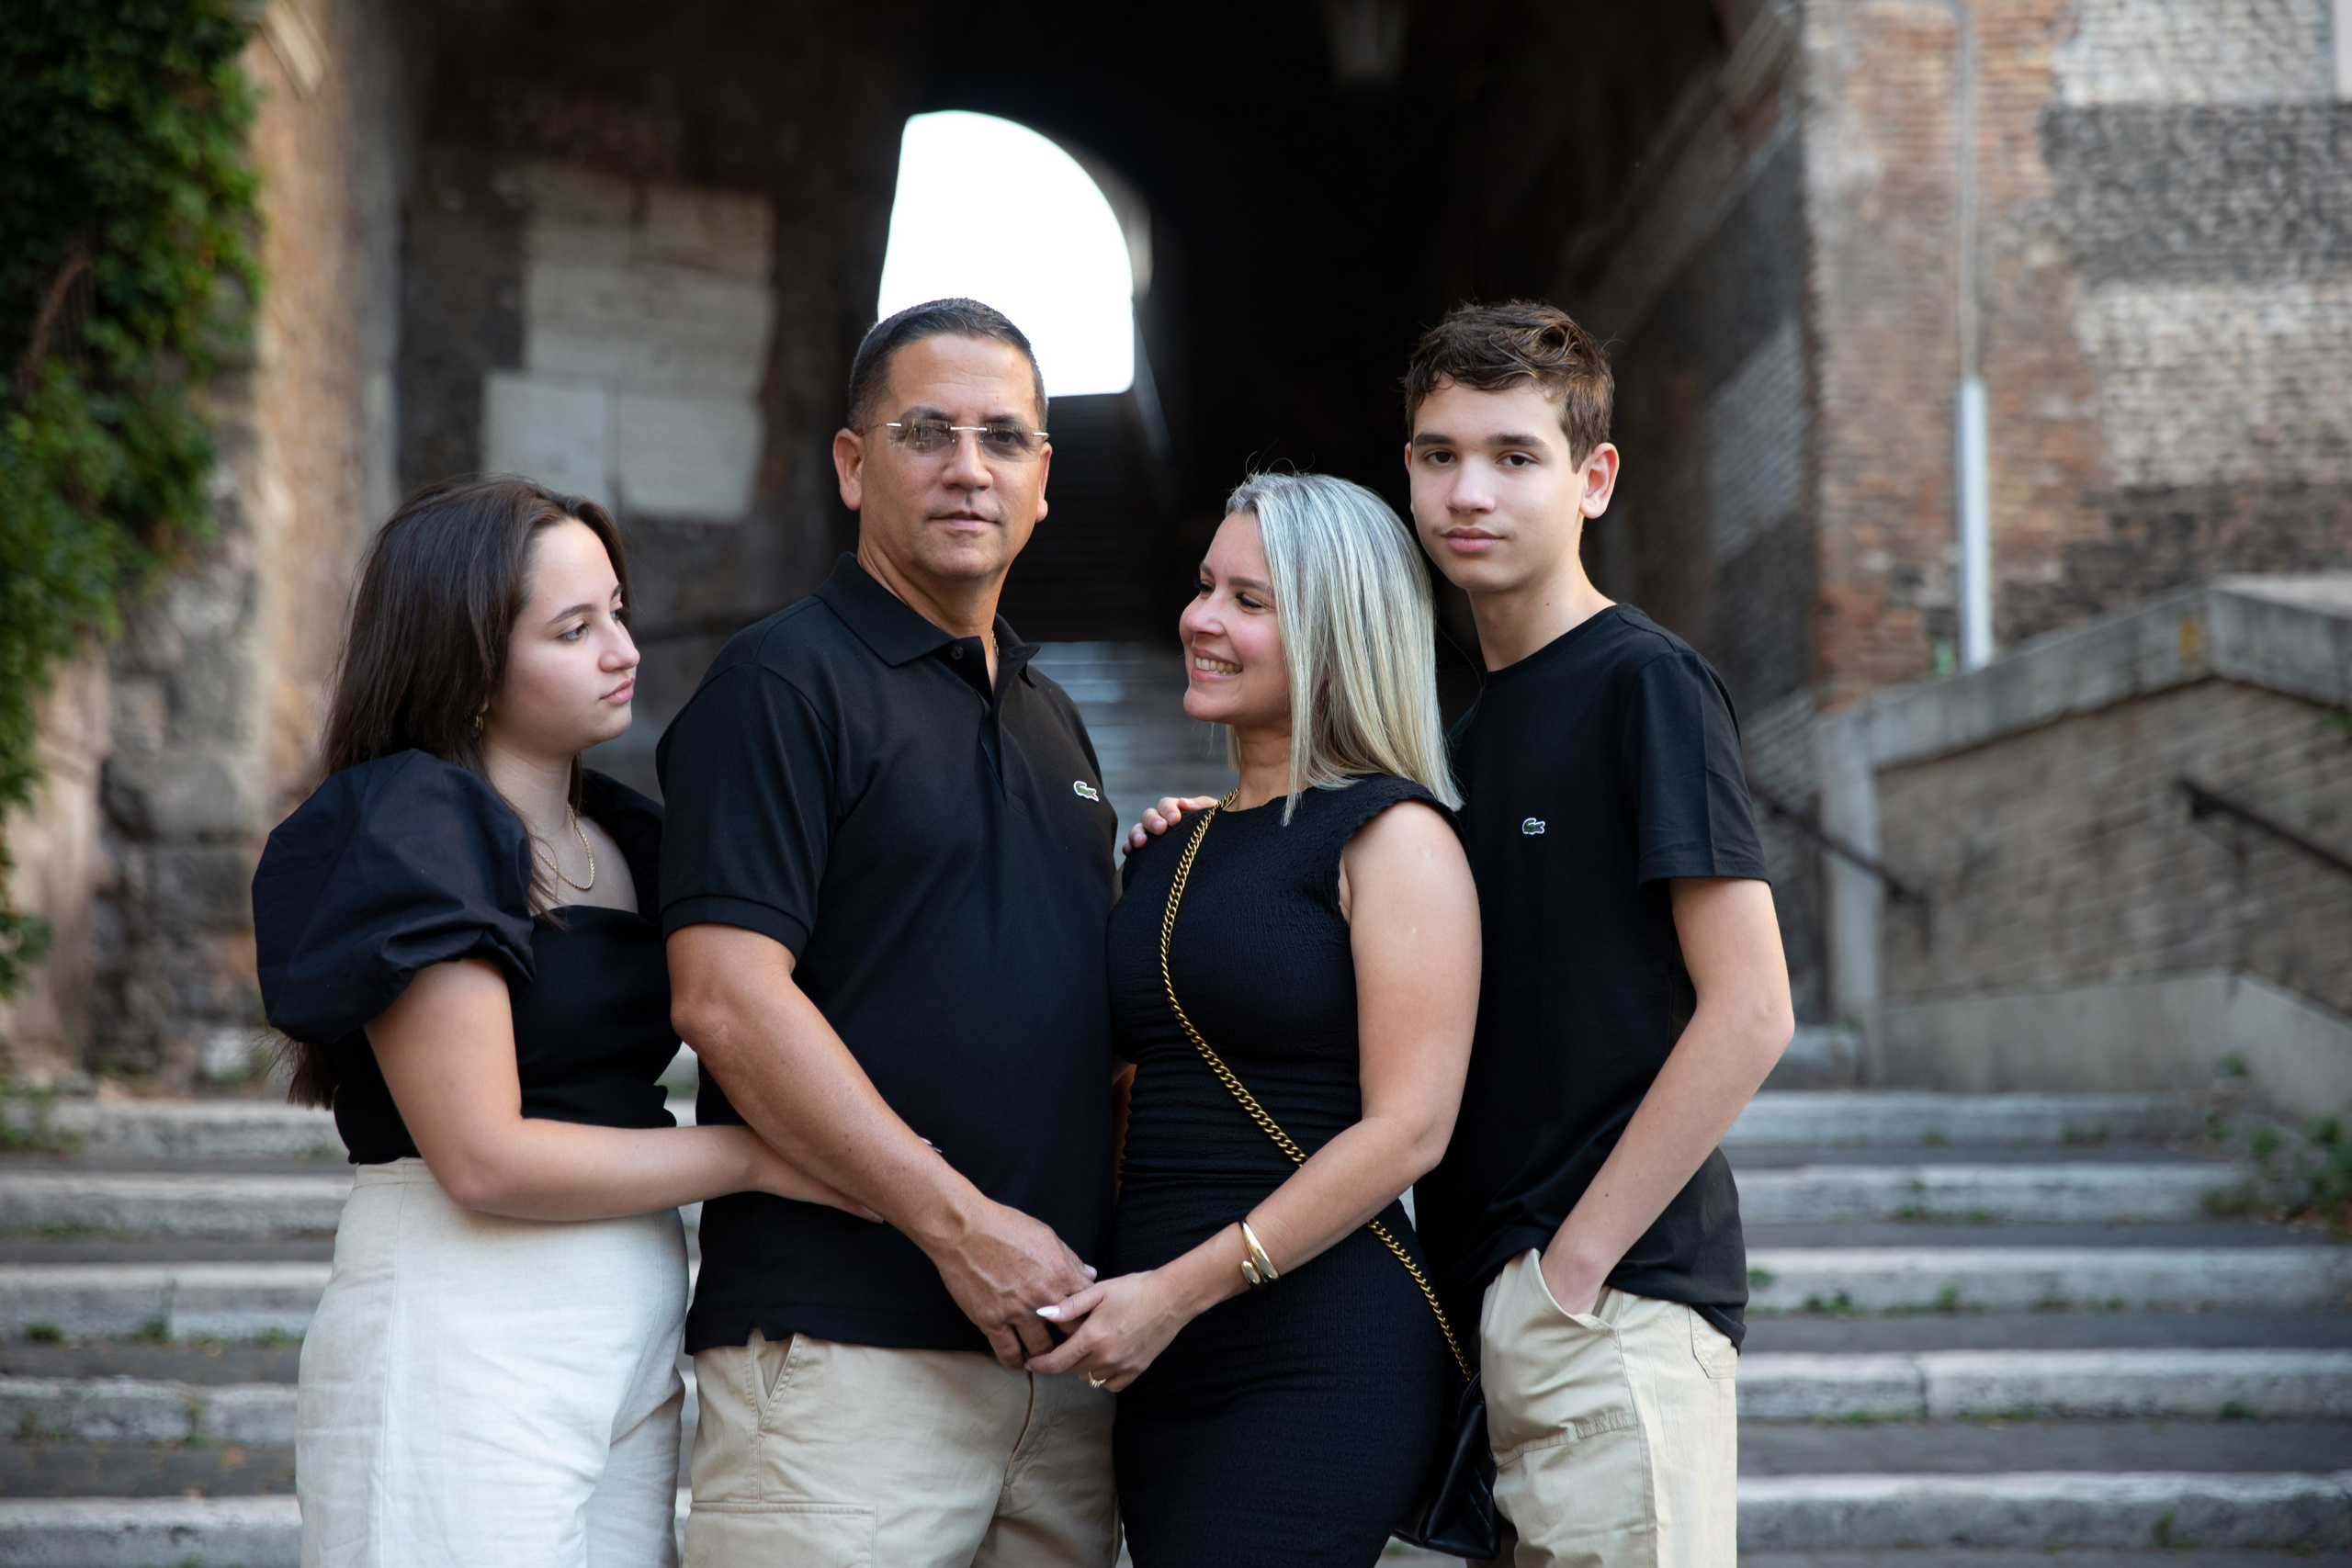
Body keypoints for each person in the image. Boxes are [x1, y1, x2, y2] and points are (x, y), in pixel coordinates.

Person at [253, 478, 865, 1568]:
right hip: (466, 1318)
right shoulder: (414, 827)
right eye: (573, 630)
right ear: (466, 661)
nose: (623, 650)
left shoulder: (630, 837)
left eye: (617, 613)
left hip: (627, 1323)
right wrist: (757, 1159)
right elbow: (483, 1157)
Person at [659, 299, 1124, 1568]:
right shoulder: (778, 685)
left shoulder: (1054, 719)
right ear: (854, 465)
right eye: (928, 432)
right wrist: (960, 1227)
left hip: (1058, 1371)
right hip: (842, 1366)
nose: (969, 467)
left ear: (1043, 481)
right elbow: (725, 997)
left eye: (1003, 437)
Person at [1406, 300, 1793, 1567]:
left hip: (1611, 1308)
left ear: (1594, 478)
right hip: (1492, 1325)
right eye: (1439, 453)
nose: (1470, 490)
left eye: (1514, 455)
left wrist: (1572, 1270)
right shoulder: (1461, 739)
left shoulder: (1646, 683)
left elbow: (1751, 1007)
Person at [1034, 472, 1482, 1567]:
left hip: (1313, 1349)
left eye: (1248, 601)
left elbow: (1410, 1131)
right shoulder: (1174, 848)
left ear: (1335, 634)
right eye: (1204, 587)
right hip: (1158, 1356)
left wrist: (1172, 1295)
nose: (1200, 619)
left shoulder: (1394, 837)